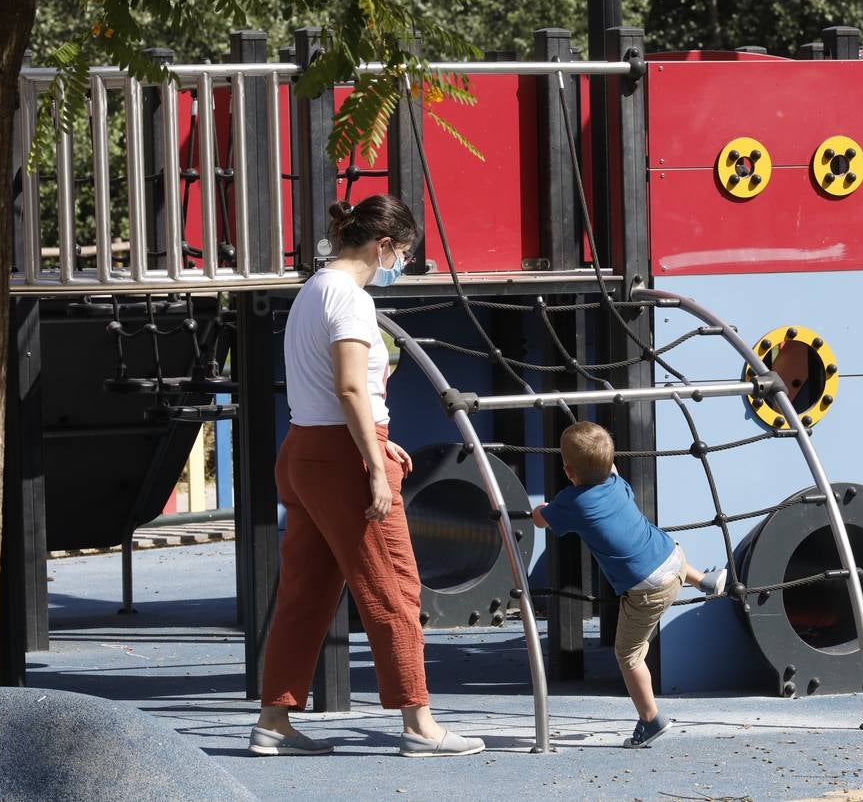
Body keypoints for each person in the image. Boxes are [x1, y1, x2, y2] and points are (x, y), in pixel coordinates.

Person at [249, 193, 485, 758]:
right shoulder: (352, 302)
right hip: (343, 459)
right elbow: (352, 387)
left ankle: (273, 720)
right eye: (402, 253)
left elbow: (336, 397)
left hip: (304, 447)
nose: (400, 264)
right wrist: (375, 465)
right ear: (383, 247)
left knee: (304, 593)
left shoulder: (312, 289)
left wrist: (377, 438)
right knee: (396, 588)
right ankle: (419, 724)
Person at [532, 421, 728, 749]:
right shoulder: (616, 483)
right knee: (663, 552)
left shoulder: (572, 503)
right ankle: (704, 580)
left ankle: (650, 719)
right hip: (673, 557)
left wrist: (538, 509)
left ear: (568, 471)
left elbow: (542, 519)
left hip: (647, 588)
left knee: (628, 654)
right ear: (611, 463)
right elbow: (609, 468)